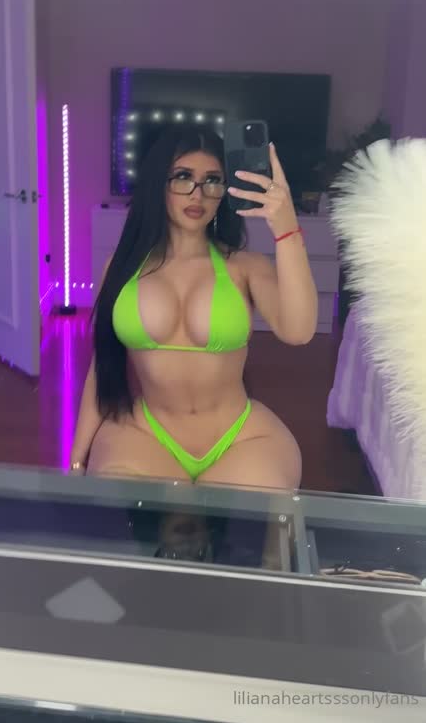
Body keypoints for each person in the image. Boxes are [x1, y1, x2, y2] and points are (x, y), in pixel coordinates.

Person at [71, 123, 318, 488]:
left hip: (242, 439)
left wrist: (286, 229)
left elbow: (299, 331)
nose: (197, 194)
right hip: (146, 435)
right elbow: (103, 366)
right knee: (135, 520)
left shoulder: (245, 267)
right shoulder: (121, 268)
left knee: (243, 524)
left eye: (212, 181)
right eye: (183, 177)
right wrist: (76, 460)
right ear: (158, 183)